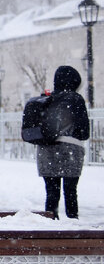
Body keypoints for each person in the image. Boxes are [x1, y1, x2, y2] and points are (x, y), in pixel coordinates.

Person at [36, 65, 91, 219]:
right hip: (70, 150)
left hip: (46, 150)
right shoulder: (75, 99)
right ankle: (72, 223)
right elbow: (83, 131)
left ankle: (51, 224)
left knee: (51, 193)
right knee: (70, 190)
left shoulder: (46, 98)